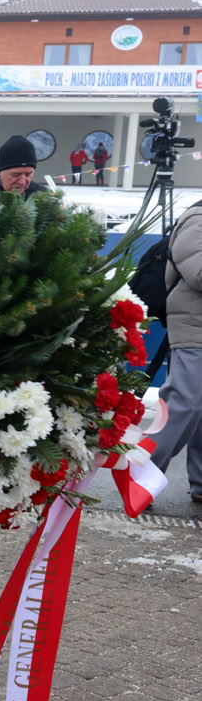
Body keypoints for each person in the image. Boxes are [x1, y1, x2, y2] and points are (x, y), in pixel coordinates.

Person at [146, 198, 202, 502]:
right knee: (183, 403)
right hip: (194, 328)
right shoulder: (197, 219)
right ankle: (140, 475)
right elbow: (198, 273)